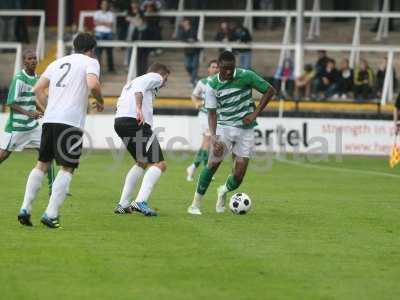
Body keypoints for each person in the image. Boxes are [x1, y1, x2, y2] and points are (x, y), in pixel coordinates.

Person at [17, 33, 104, 228]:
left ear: (74, 46)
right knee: (67, 167)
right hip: (70, 122)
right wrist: (100, 100)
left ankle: (25, 208)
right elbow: (93, 84)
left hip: (50, 120)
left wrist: (49, 110)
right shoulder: (91, 62)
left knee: (42, 164)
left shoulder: (57, 62)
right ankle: (51, 213)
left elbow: (37, 90)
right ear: (92, 49)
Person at [187, 51, 276, 215]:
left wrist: (254, 113)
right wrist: (213, 137)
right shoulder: (212, 85)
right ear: (219, 66)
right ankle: (195, 205)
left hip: (246, 130)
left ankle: (223, 191)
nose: (229, 72)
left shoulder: (246, 76)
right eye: (225, 68)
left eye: (231, 68)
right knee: (213, 164)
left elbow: (270, 90)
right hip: (223, 127)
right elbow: (212, 113)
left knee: (239, 174)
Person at [113, 63, 170, 216]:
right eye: (166, 79)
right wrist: (138, 109)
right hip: (136, 122)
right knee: (160, 163)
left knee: (142, 161)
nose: (165, 83)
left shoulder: (130, 83)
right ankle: (140, 201)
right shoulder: (154, 76)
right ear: (162, 74)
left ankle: (123, 204)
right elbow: (139, 89)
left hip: (120, 122)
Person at [0, 49, 55, 194]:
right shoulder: (19, 78)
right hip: (16, 127)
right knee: (4, 155)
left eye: (35, 58)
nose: (33, 61)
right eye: (30, 58)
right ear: (24, 61)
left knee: (47, 153)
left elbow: (32, 100)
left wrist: (44, 111)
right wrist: (28, 113)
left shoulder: (37, 78)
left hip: (32, 127)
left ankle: (53, 187)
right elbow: (10, 102)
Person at [186, 59, 219, 181]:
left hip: (215, 116)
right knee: (208, 141)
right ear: (209, 69)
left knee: (207, 144)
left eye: (217, 67)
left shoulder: (223, 83)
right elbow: (194, 95)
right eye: (213, 67)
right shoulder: (203, 82)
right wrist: (197, 103)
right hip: (205, 116)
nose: (215, 69)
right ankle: (206, 170)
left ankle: (193, 168)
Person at [94, 0, 116, 72]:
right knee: (98, 53)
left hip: (108, 34)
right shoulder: (97, 13)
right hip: (98, 34)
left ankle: (111, 69)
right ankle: (98, 69)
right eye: (103, 4)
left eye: (106, 4)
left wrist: (101, 22)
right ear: (101, 5)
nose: (104, 5)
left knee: (109, 52)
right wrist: (105, 23)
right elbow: (95, 23)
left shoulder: (111, 14)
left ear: (107, 5)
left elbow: (110, 24)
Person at [178, 19, 200, 87]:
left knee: (194, 66)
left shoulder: (193, 29)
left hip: (195, 50)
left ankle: (192, 81)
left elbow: (195, 38)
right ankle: (194, 78)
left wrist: (191, 39)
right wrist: (188, 40)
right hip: (187, 51)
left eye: (186, 21)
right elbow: (180, 38)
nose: (185, 23)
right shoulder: (181, 30)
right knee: (187, 66)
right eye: (184, 22)